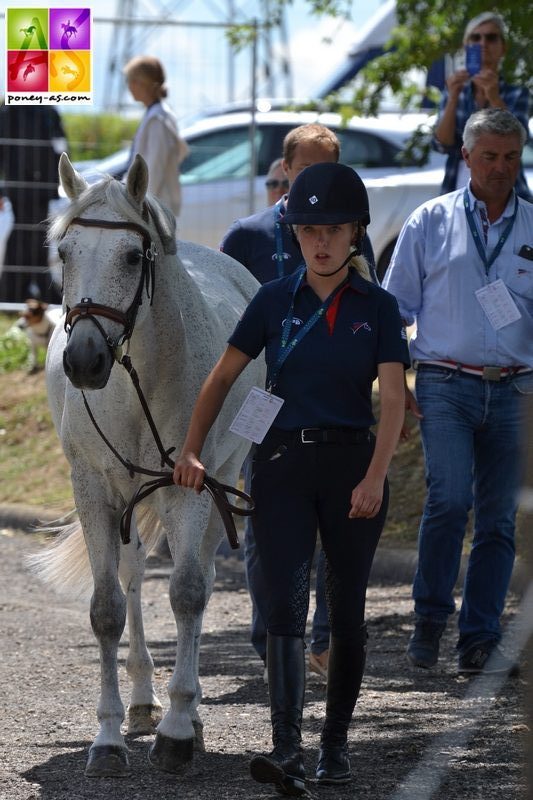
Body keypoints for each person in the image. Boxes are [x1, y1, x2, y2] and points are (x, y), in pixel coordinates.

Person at [174, 162, 409, 795]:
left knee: (350, 614)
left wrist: (377, 476)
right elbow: (222, 377)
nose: (321, 241)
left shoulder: (379, 307)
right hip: (279, 467)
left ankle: (335, 747)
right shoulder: (272, 298)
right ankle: (288, 751)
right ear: (295, 233)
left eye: (333, 229)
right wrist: (192, 450)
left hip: (351, 469)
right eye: (308, 230)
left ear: (356, 232)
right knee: (283, 608)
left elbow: (391, 400)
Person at [221, 123, 377, 682]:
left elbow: (372, 309)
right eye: (305, 168)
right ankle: (272, 640)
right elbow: (227, 323)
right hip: (261, 406)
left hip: (332, 409)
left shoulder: (352, 236)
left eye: (326, 168)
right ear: (284, 169)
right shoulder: (246, 236)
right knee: (266, 527)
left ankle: (322, 643)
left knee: (332, 536)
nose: (315, 180)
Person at [383, 108, 533, 676]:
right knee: (448, 501)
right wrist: (396, 388)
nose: (501, 168)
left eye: (511, 157)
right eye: (490, 156)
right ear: (466, 156)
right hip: (446, 382)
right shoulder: (429, 221)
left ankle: (480, 637)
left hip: (517, 391)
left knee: (497, 518)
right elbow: (393, 311)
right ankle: (429, 619)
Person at [433, 11, 531, 200]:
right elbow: (442, 144)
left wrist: (494, 97)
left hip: (508, 193)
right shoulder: (455, 90)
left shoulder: (518, 94)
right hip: (458, 191)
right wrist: (452, 98)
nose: (483, 43)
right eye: (475, 37)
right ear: (466, 46)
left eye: (491, 37)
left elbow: (519, 141)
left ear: (503, 48)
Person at [0, 104, 67, 302]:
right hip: (18, 189)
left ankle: (33, 292)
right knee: (22, 237)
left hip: (42, 190)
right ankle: (12, 295)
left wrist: (58, 181)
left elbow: (61, 147)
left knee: (39, 236)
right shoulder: (8, 112)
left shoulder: (49, 112)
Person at [123, 55, 189, 217]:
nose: (129, 86)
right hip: (151, 205)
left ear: (141, 82)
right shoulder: (157, 114)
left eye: (131, 81)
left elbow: (154, 168)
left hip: (151, 209)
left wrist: (136, 205)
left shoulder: (157, 119)